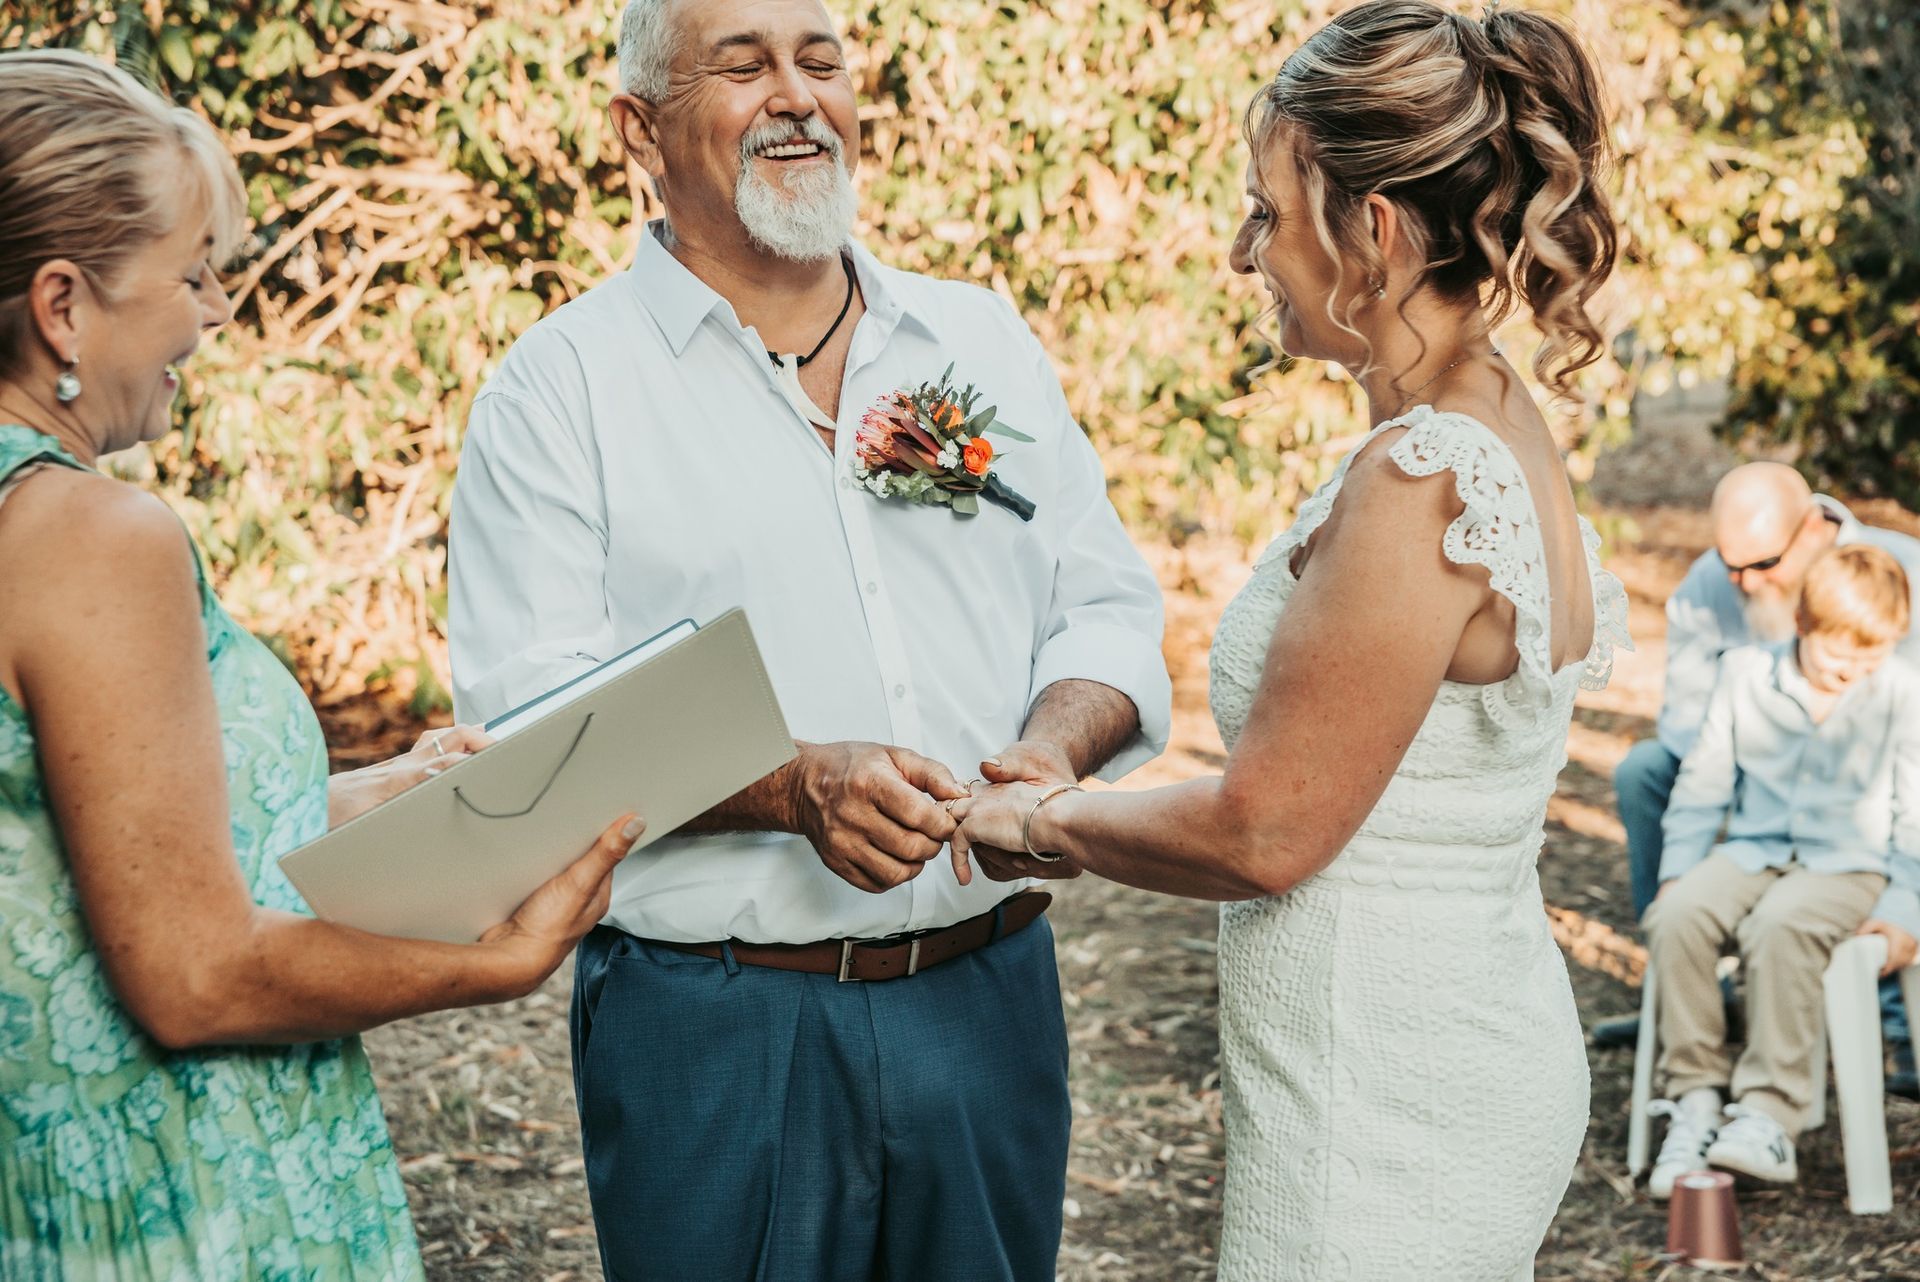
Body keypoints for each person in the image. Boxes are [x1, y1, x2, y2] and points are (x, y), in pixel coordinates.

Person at [445, 0, 1171, 1277]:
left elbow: (1104, 607)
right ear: (639, 130)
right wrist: (791, 787)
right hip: (716, 1029)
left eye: (819, 59)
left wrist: (1050, 752)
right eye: (742, 66)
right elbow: (534, 726)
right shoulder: (559, 391)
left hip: (985, 1001)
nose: (796, 96)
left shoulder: (977, 339)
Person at [952, 3, 1628, 1277]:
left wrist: (1042, 819)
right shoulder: (1488, 419)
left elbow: (1266, 831)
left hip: (1382, 1090)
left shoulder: (1420, 479)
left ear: (1370, 230)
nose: (1243, 249)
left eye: (1267, 211)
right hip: (1450, 1029)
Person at [0, 50, 640, 1278]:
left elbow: (76, 852)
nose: (213, 316)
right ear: (64, 304)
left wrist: (366, 792)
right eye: (192, 276)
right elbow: (193, 974)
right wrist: (489, 962)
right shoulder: (92, 534)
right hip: (177, 1194)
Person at [1593, 463, 1920, 1070]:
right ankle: (1693, 989)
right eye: (1730, 563)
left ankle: (1896, 1013)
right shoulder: (1710, 582)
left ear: (1814, 531)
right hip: (1748, 754)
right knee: (1642, 771)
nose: (1742, 582)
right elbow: (1687, 719)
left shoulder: (1902, 570)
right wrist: (1759, 749)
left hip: (1878, 775)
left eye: (1762, 566)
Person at [1641, 544, 1920, 1195]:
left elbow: (1916, 814)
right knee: (1677, 914)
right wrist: (1679, 869)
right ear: (1801, 626)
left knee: (1782, 924)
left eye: (1870, 657)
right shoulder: (1743, 673)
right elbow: (1703, 784)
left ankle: (1769, 1114)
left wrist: (1905, 909)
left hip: (1849, 866)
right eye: (1837, 656)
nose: (1852, 671)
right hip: (1754, 849)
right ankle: (1696, 1098)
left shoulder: (1903, 693)